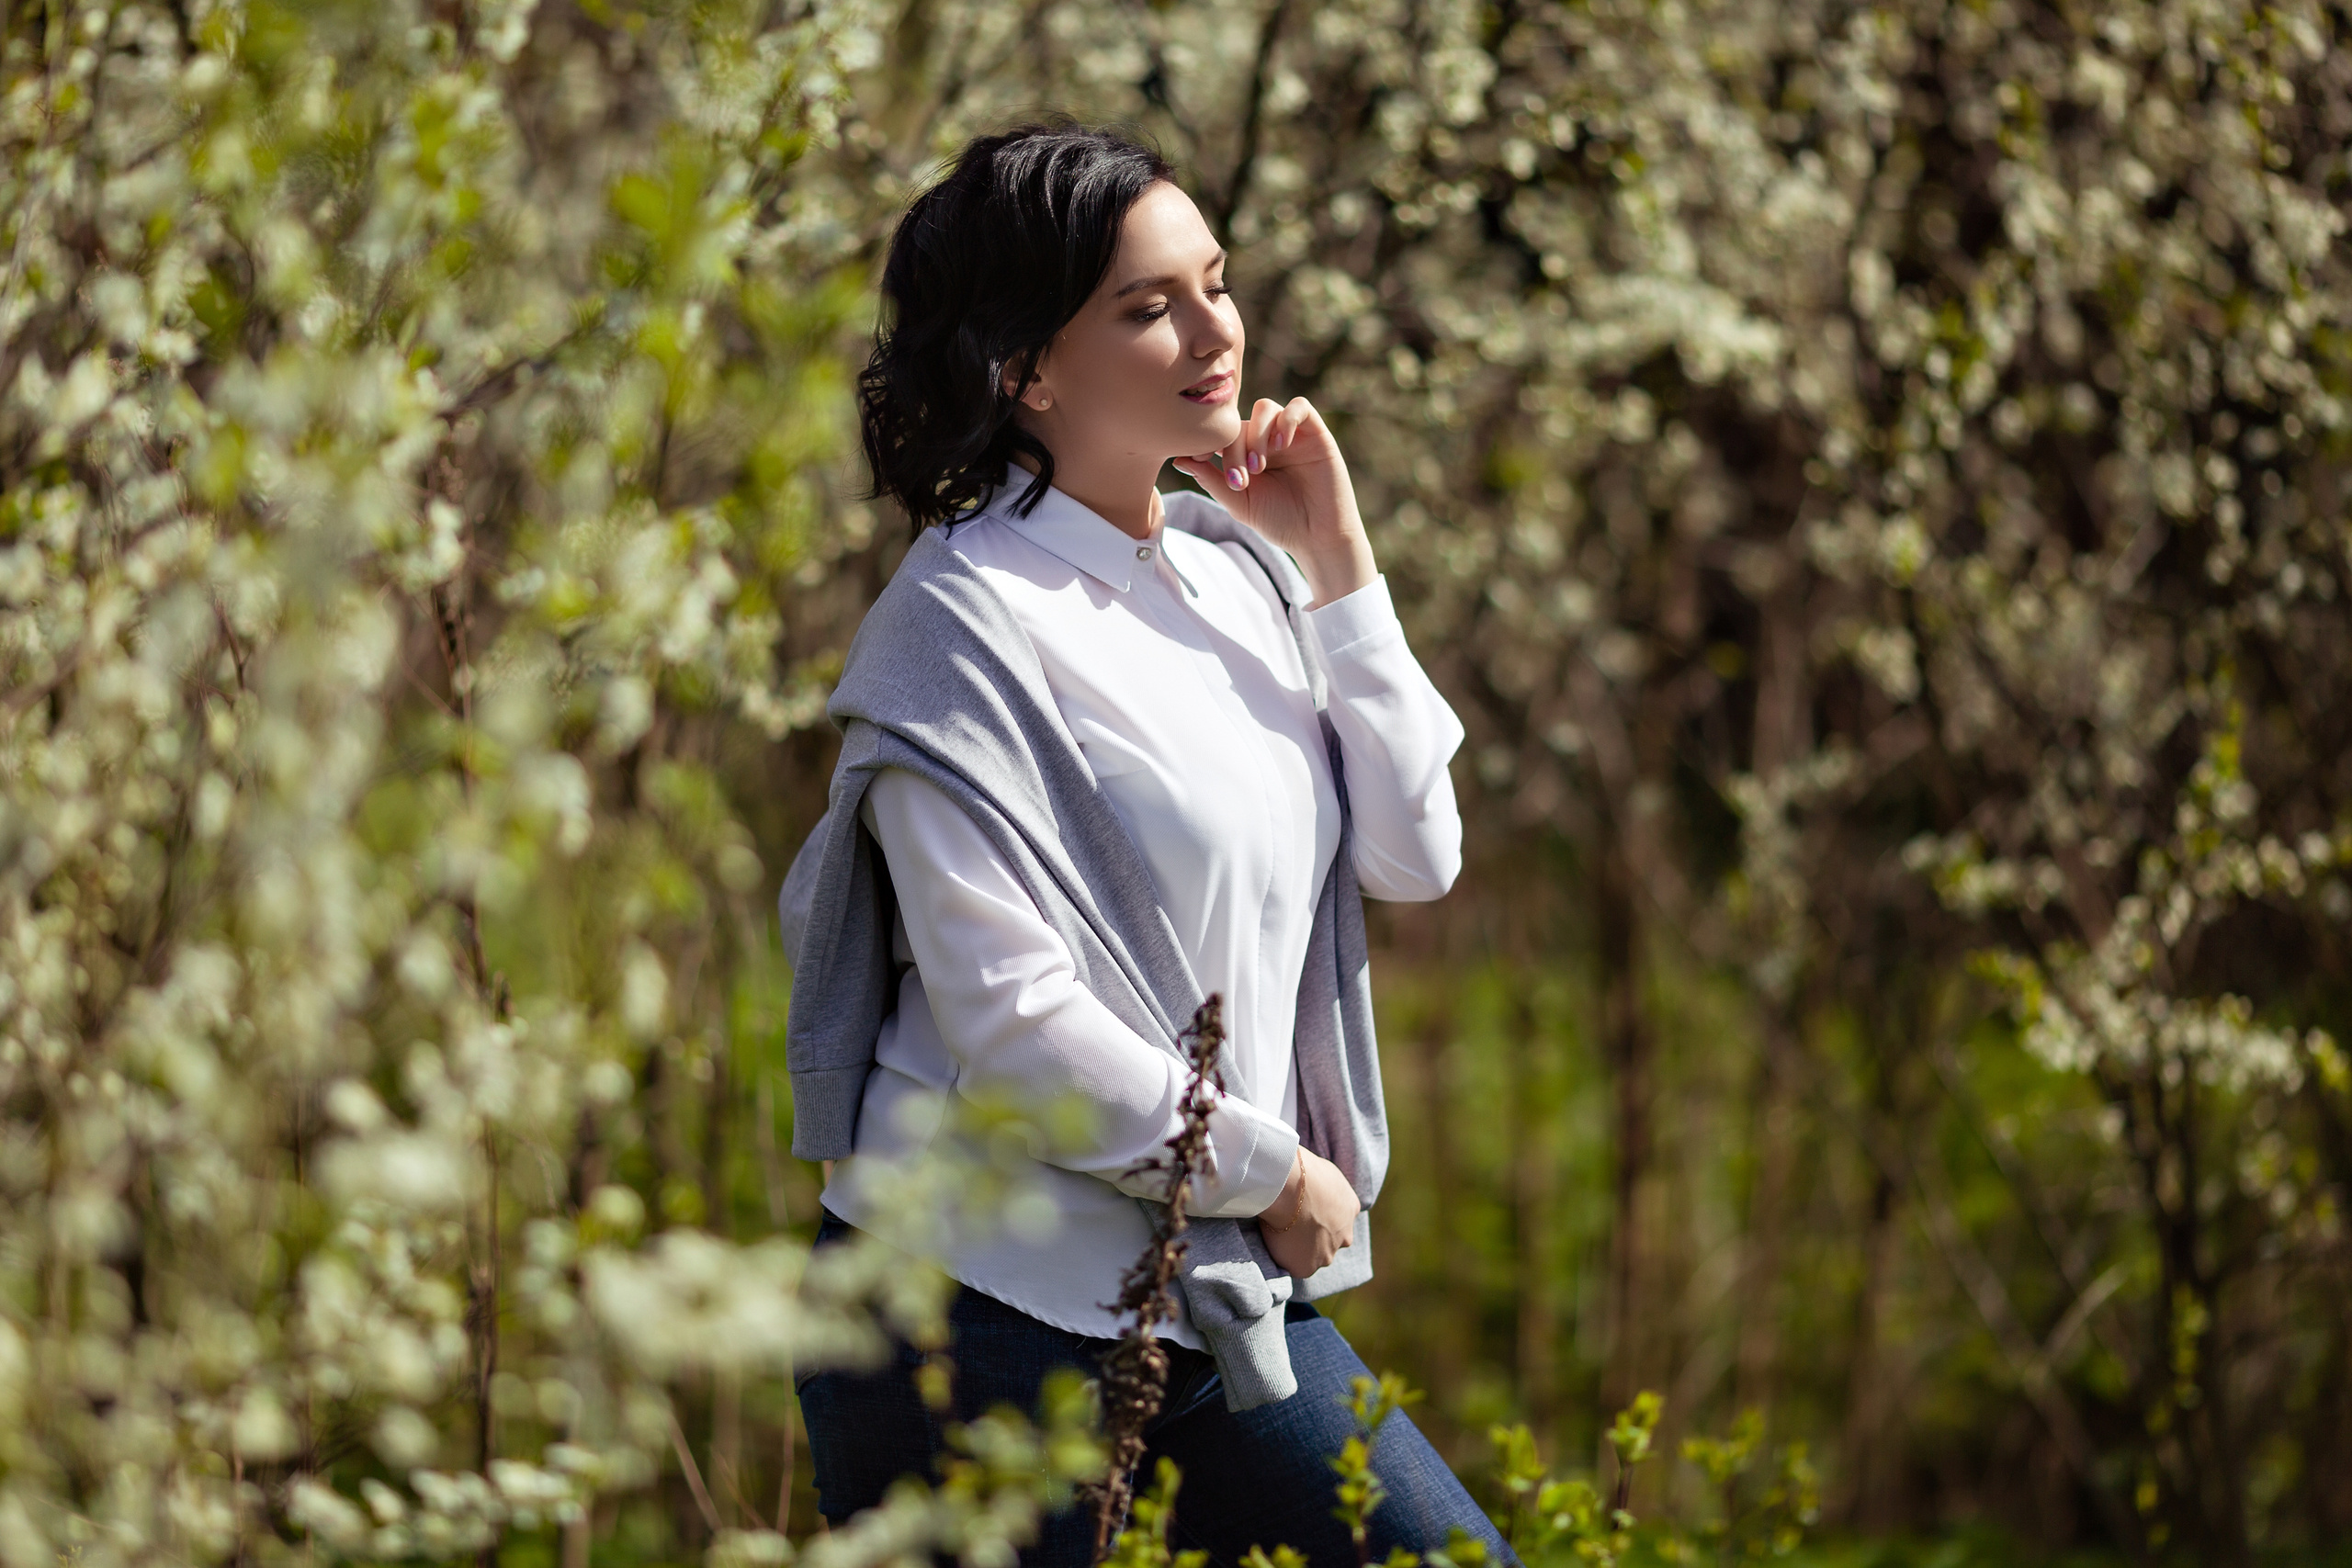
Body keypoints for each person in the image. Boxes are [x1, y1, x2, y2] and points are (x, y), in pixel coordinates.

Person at [779, 119, 1507, 1566]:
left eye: (1215, 283)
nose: (1212, 332)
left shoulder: (1237, 571)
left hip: (1210, 1285)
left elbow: (1417, 853)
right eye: (1146, 306)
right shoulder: (959, 632)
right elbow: (1012, 1022)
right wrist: (1271, 1168)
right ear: (1024, 368)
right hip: (971, 1324)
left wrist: (1339, 566)